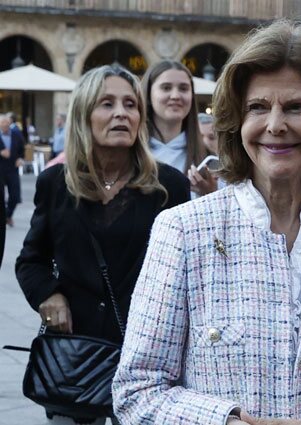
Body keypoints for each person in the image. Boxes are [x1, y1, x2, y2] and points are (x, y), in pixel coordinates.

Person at [112, 21, 301, 425]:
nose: (275, 125)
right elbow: (136, 390)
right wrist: (224, 421)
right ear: (237, 122)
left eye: (295, 107)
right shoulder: (183, 231)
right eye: (258, 107)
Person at [15, 65, 190, 423]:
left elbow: (188, 271)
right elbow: (30, 260)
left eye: (130, 104)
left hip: (147, 360)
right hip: (77, 356)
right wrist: (49, 295)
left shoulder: (168, 187)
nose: (121, 113)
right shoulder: (55, 184)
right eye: (107, 104)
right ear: (84, 115)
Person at [142, 60, 215, 196]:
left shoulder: (209, 161)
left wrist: (211, 195)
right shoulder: (131, 156)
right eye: (166, 88)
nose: (175, 96)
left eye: (183, 88)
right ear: (148, 94)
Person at [0, 113, 25, 226]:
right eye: (2, 124)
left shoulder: (16, 134)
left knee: (15, 196)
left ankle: (8, 215)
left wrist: (20, 158)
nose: (5, 126)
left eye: (6, 123)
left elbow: (22, 149)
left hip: (12, 169)